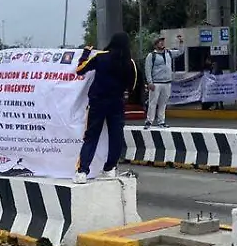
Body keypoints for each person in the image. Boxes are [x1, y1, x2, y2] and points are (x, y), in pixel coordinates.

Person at [73, 32, 138, 184]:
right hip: (117, 103)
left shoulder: (101, 57)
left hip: (98, 102)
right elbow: (133, 86)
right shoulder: (129, 63)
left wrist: (86, 53)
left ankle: (82, 171)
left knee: (91, 136)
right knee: (116, 136)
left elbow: (80, 70)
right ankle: (110, 168)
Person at [144, 34, 184, 128]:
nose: (162, 43)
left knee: (163, 103)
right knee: (153, 103)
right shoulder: (151, 56)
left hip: (167, 83)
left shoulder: (168, 53)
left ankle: (161, 121)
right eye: (159, 42)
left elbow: (180, 52)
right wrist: (150, 82)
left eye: (162, 41)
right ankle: (149, 121)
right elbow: (148, 69)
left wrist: (181, 42)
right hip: (156, 83)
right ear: (155, 44)